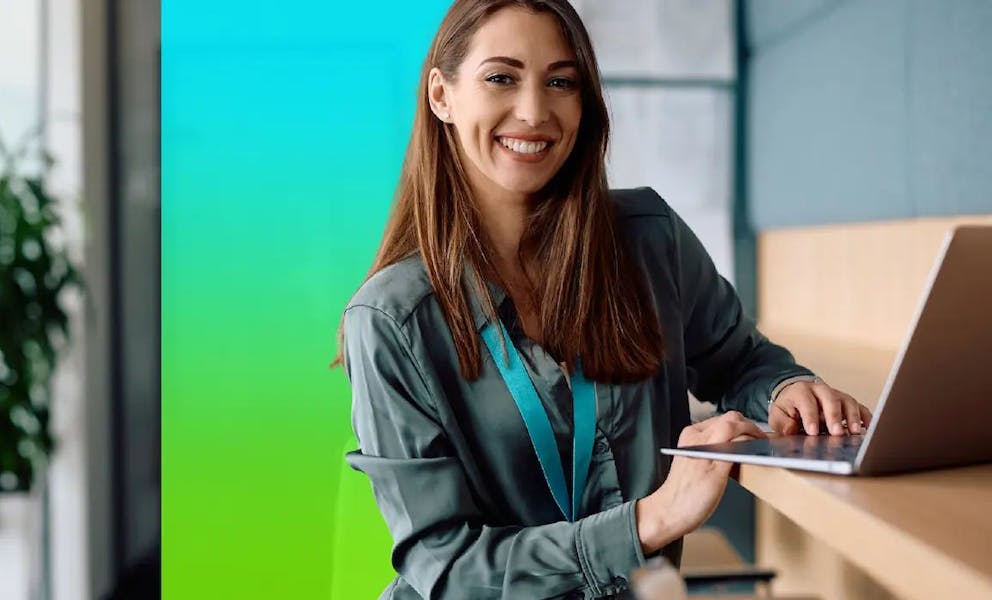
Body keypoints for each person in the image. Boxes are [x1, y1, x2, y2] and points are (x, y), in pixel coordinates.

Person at [333, 1, 872, 598]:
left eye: (560, 81)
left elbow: (740, 359)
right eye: (501, 78)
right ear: (442, 95)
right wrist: (655, 518)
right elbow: (449, 567)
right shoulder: (390, 320)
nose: (535, 111)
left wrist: (786, 391)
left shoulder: (647, 240)